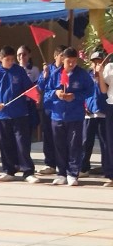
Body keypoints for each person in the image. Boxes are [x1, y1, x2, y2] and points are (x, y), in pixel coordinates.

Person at [0, 45, 40, 184]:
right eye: (7, 59)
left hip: (20, 113)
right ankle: (9, 170)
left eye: (12, 59)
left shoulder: (19, 71)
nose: (10, 62)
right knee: (5, 143)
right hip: (2, 115)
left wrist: (36, 92)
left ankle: (28, 171)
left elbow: (29, 88)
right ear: (1, 59)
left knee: (22, 143)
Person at [42, 47, 94, 186]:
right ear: (62, 60)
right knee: (59, 146)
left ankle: (72, 173)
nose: (71, 64)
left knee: (74, 145)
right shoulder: (55, 74)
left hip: (75, 116)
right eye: (68, 61)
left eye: (74, 61)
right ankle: (61, 173)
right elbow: (46, 91)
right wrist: (56, 93)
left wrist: (75, 96)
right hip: (57, 115)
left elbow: (90, 91)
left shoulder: (82, 74)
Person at [36, 45, 67, 176]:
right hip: (49, 107)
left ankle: (63, 164)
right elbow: (39, 87)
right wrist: (45, 76)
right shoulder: (48, 69)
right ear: (55, 56)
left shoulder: (68, 70)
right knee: (48, 136)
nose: (64, 58)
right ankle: (50, 163)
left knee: (62, 138)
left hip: (63, 109)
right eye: (62, 56)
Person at [82, 50, 107, 177]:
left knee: (105, 142)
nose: (97, 64)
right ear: (90, 63)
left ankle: (106, 168)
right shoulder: (86, 76)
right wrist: (83, 105)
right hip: (89, 112)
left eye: (99, 62)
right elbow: (81, 92)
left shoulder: (107, 75)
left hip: (103, 112)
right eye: (94, 62)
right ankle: (83, 167)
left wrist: (101, 75)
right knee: (86, 141)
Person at [95, 53, 113, 187]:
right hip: (111, 105)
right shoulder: (110, 67)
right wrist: (100, 74)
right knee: (111, 141)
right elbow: (103, 89)